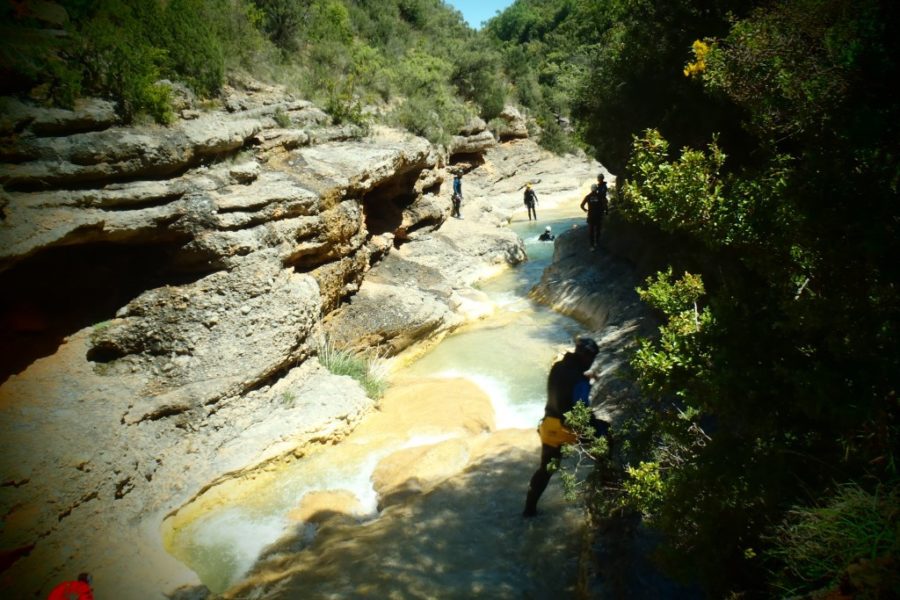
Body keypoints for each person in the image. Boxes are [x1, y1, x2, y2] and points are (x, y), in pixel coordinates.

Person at [523, 337, 603, 517]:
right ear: (585, 357)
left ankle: (529, 510)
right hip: (567, 431)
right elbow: (581, 411)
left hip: (549, 427)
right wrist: (596, 430)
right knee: (607, 437)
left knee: (546, 469)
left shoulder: (557, 367)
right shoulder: (579, 381)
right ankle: (609, 484)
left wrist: (586, 379)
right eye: (591, 358)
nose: (592, 362)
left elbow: (566, 384)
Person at [580, 175, 609, 250]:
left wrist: (586, 210)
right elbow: (604, 204)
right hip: (598, 215)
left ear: (591, 189)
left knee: (591, 231)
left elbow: (581, 205)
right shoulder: (600, 196)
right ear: (596, 189)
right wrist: (606, 211)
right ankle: (597, 242)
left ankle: (591, 246)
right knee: (598, 230)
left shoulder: (588, 196)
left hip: (591, 216)